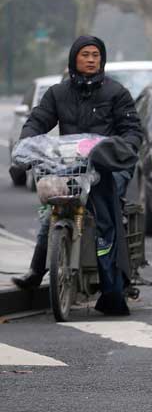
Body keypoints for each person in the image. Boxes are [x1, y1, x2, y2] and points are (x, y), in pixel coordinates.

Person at [12, 36, 143, 316]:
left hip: (105, 169)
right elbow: (37, 121)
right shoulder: (57, 94)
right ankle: (36, 271)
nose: (91, 59)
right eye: (85, 54)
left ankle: (112, 290)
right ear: (74, 59)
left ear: (102, 59)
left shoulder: (116, 92)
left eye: (96, 54)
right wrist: (24, 147)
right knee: (51, 215)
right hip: (69, 167)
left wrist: (118, 149)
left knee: (107, 224)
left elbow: (132, 130)